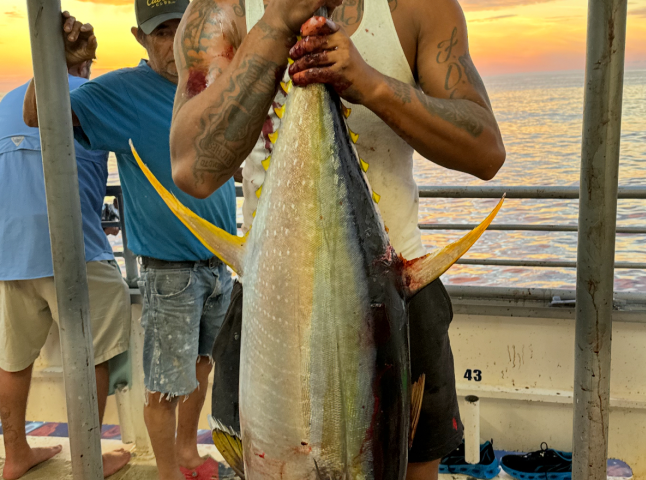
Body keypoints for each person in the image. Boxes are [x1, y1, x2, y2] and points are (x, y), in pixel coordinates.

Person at [169, 0, 506, 479]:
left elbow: (486, 150)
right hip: (271, 303)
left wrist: (371, 84)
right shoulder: (222, 10)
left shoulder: (418, 8)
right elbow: (191, 167)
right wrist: (275, 26)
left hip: (398, 294)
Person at [23, 4, 238, 479]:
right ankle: (167, 474)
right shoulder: (121, 91)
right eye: (163, 32)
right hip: (169, 273)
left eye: (183, 29)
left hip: (220, 264)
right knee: (164, 387)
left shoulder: (215, 82)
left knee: (203, 367)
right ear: (140, 37)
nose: (175, 43)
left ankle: (187, 454)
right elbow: (38, 114)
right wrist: (55, 62)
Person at [0, 59, 132, 479]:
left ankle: (15, 453)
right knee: (94, 349)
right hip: (70, 247)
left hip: (9, 251)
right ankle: (86, 458)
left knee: (13, 359)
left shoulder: (6, 101)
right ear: (86, 63)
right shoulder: (94, 96)